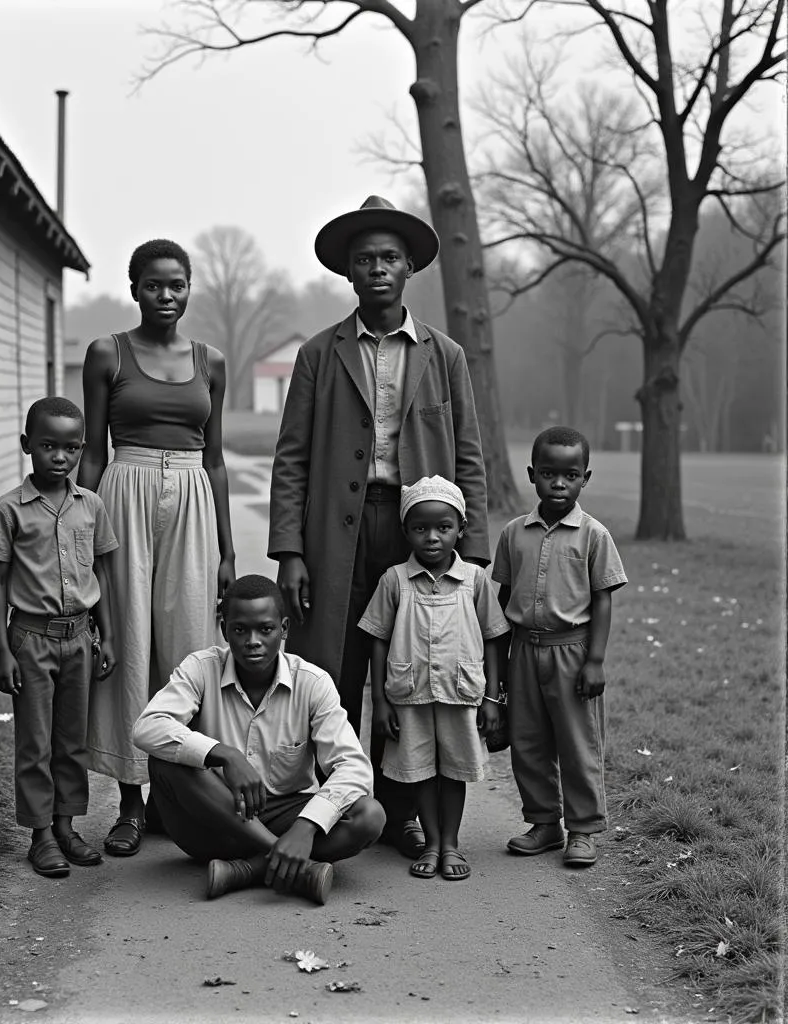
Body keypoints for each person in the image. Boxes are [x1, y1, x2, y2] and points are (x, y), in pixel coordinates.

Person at [268, 196, 490, 860]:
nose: (378, 269)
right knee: (333, 667)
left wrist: (472, 551)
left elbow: (470, 454)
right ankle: (336, 800)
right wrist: (290, 550)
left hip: (421, 527)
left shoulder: (443, 355)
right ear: (348, 273)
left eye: (390, 258)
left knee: (413, 668)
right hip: (339, 530)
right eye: (364, 260)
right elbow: (293, 456)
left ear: (410, 267)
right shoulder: (319, 353)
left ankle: (401, 811)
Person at [78, 239, 236, 857]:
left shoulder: (211, 361)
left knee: (188, 647)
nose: (165, 296)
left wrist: (227, 550)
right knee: (131, 641)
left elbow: (217, 459)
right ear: (134, 288)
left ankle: (179, 798)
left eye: (176, 285)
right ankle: (130, 802)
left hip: (194, 499)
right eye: (153, 285)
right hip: (124, 492)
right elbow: (92, 451)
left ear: (190, 288)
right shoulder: (107, 353)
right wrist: (77, 532)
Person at [131, 575, 385, 905]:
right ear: (224, 630)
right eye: (240, 630)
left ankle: (246, 870)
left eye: (265, 630)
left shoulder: (311, 682)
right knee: (168, 758)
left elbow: (353, 767)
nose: (253, 641)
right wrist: (223, 755)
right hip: (211, 821)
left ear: (284, 628)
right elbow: (147, 727)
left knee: (369, 816)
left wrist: (306, 827)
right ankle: (290, 862)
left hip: (283, 815)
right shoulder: (200, 668)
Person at [0, 397, 118, 877]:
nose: (59, 457)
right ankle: (40, 836)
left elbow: (101, 572)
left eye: (71, 448)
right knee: (35, 742)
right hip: (30, 640)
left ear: (81, 451)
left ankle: (66, 826)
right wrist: (2, 650)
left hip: (79, 638)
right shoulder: (8, 510)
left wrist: (110, 635)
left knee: (71, 740)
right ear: (26, 446)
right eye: (48, 446)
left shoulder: (91, 506)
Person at [358, 477, 509, 881]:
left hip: (462, 694)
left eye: (443, 527)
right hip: (409, 696)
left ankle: (452, 843)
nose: (432, 537)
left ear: (461, 529)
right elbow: (377, 639)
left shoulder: (475, 580)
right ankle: (431, 842)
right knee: (420, 770)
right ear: (405, 530)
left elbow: (494, 639)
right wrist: (381, 702)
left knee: (455, 770)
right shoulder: (394, 580)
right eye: (420, 528)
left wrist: (493, 698)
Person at [492, 427, 627, 867]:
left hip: (572, 653)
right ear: (532, 474)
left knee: (577, 743)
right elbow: (504, 595)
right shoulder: (514, 533)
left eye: (569, 475)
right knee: (527, 741)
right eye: (548, 473)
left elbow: (603, 598)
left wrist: (596, 661)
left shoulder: (594, 535)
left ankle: (583, 829)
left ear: (585, 478)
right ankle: (544, 823)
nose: (558, 483)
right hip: (523, 652)